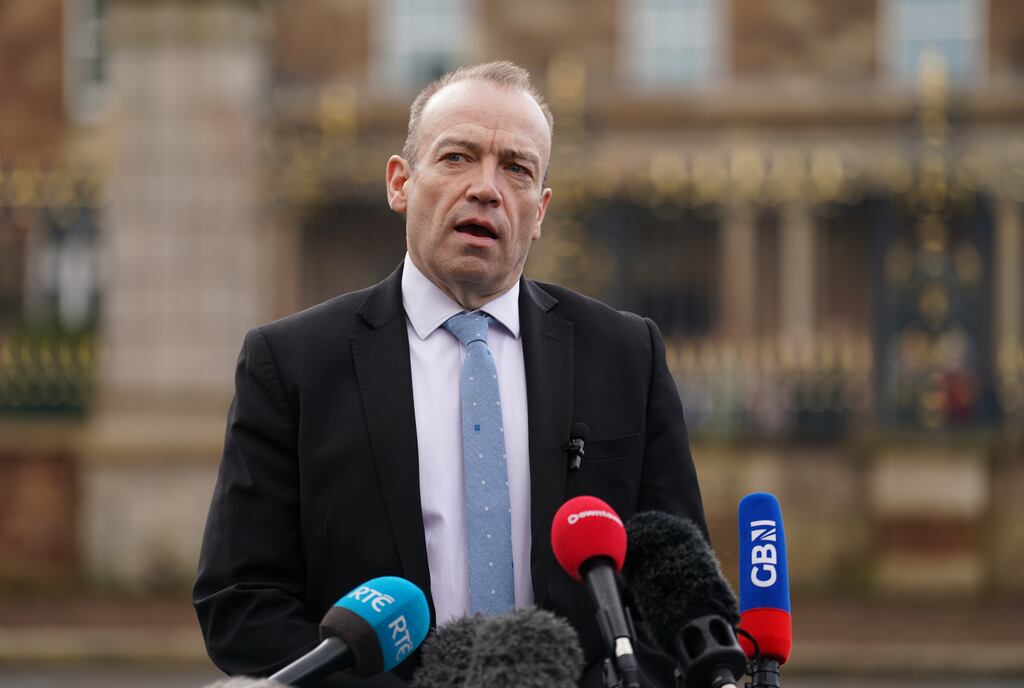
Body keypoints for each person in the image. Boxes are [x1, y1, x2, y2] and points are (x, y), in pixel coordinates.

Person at [194, 61, 707, 687]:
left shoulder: (626, 355)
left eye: (516, 168)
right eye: (457, 157)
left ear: (540, 211)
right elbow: (241, 601)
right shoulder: (292, 362)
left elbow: (677, 590)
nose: (486, 188)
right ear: (400, 182)